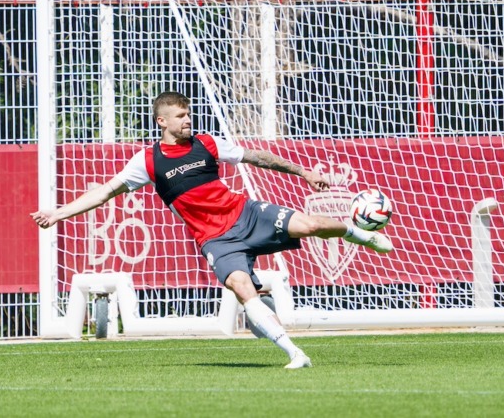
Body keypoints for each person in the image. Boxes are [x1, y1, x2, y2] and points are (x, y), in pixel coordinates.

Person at [32, 91, 393, 369]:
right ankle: (295, 353)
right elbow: (103, 192)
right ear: (162, 121)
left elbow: (257, 157)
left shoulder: (206, 143)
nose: (188, 120)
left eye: (188, 114)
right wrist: (59, 213)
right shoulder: (146, 161)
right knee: (241, 289)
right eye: (180, 116)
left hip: (246, 213)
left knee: (312, 224)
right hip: (216, 240)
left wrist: (305, 173)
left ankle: (365, 236)